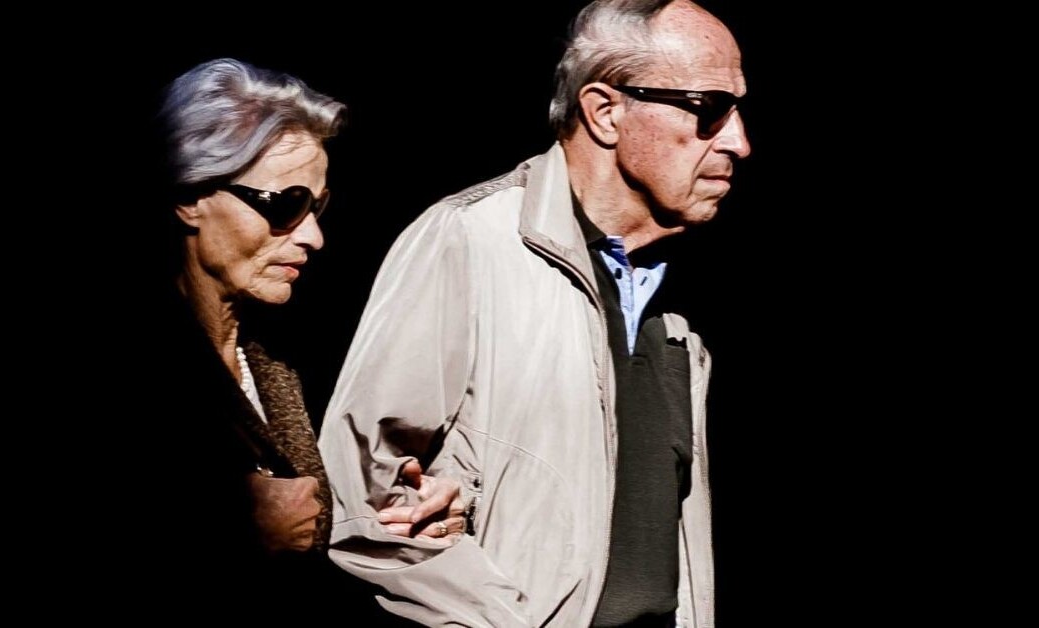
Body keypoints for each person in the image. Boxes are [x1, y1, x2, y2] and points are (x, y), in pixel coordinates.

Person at [317, 1, 750, 626]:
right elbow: (362, 499)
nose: (738, 141)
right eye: (708, 109)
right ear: (605, 112)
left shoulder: (683, 288)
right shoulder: (471, 240)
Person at [132, 57, 463, 617]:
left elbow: (335, 518)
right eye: (285, 205)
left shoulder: (299, 350)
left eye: (317, 206)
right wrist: (236, 537)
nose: (313, 236)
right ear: (190, 196)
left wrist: (411, 513)